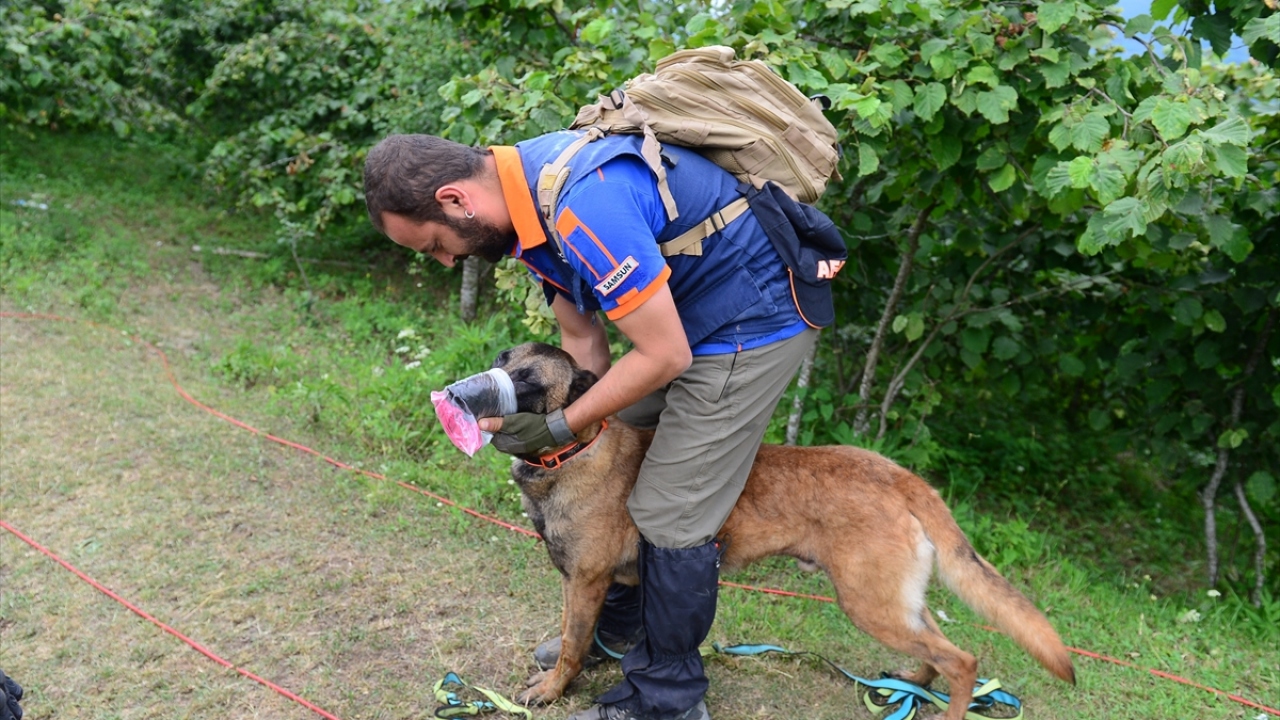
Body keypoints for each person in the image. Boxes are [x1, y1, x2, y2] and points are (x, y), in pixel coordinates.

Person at [364, 130, 820, 720]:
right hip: (682, 322)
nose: (448, 261)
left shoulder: (585, 205)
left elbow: (665, 356)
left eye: (434, 245)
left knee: (670, 509)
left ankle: (666, 698)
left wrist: (560, 429)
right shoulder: (526, 214)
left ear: (455, 200)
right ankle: (618, 629)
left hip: (753, 322)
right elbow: (583, 346)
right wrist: (562, 422)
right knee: (613, 449)